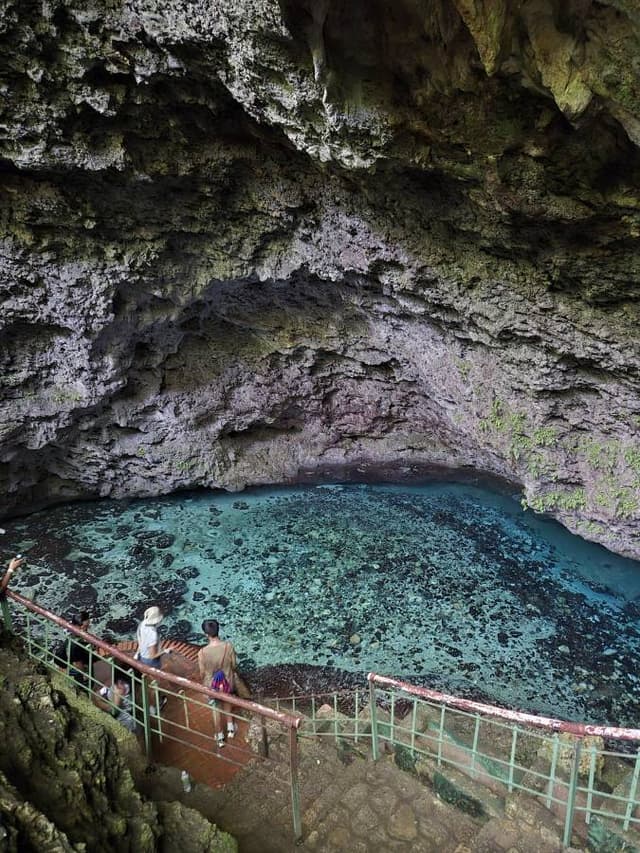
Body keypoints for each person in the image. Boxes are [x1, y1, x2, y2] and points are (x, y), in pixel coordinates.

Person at [197, 619, 239, 748]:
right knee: (227, 701)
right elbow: (234, 665)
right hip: (227, 683)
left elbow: (202, 673)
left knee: (215, 709)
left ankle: (220, 737)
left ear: (206, 634)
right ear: (218, 630)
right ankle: (231, 728)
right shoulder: (228, 646)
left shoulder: (202, 653)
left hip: (212, 686)